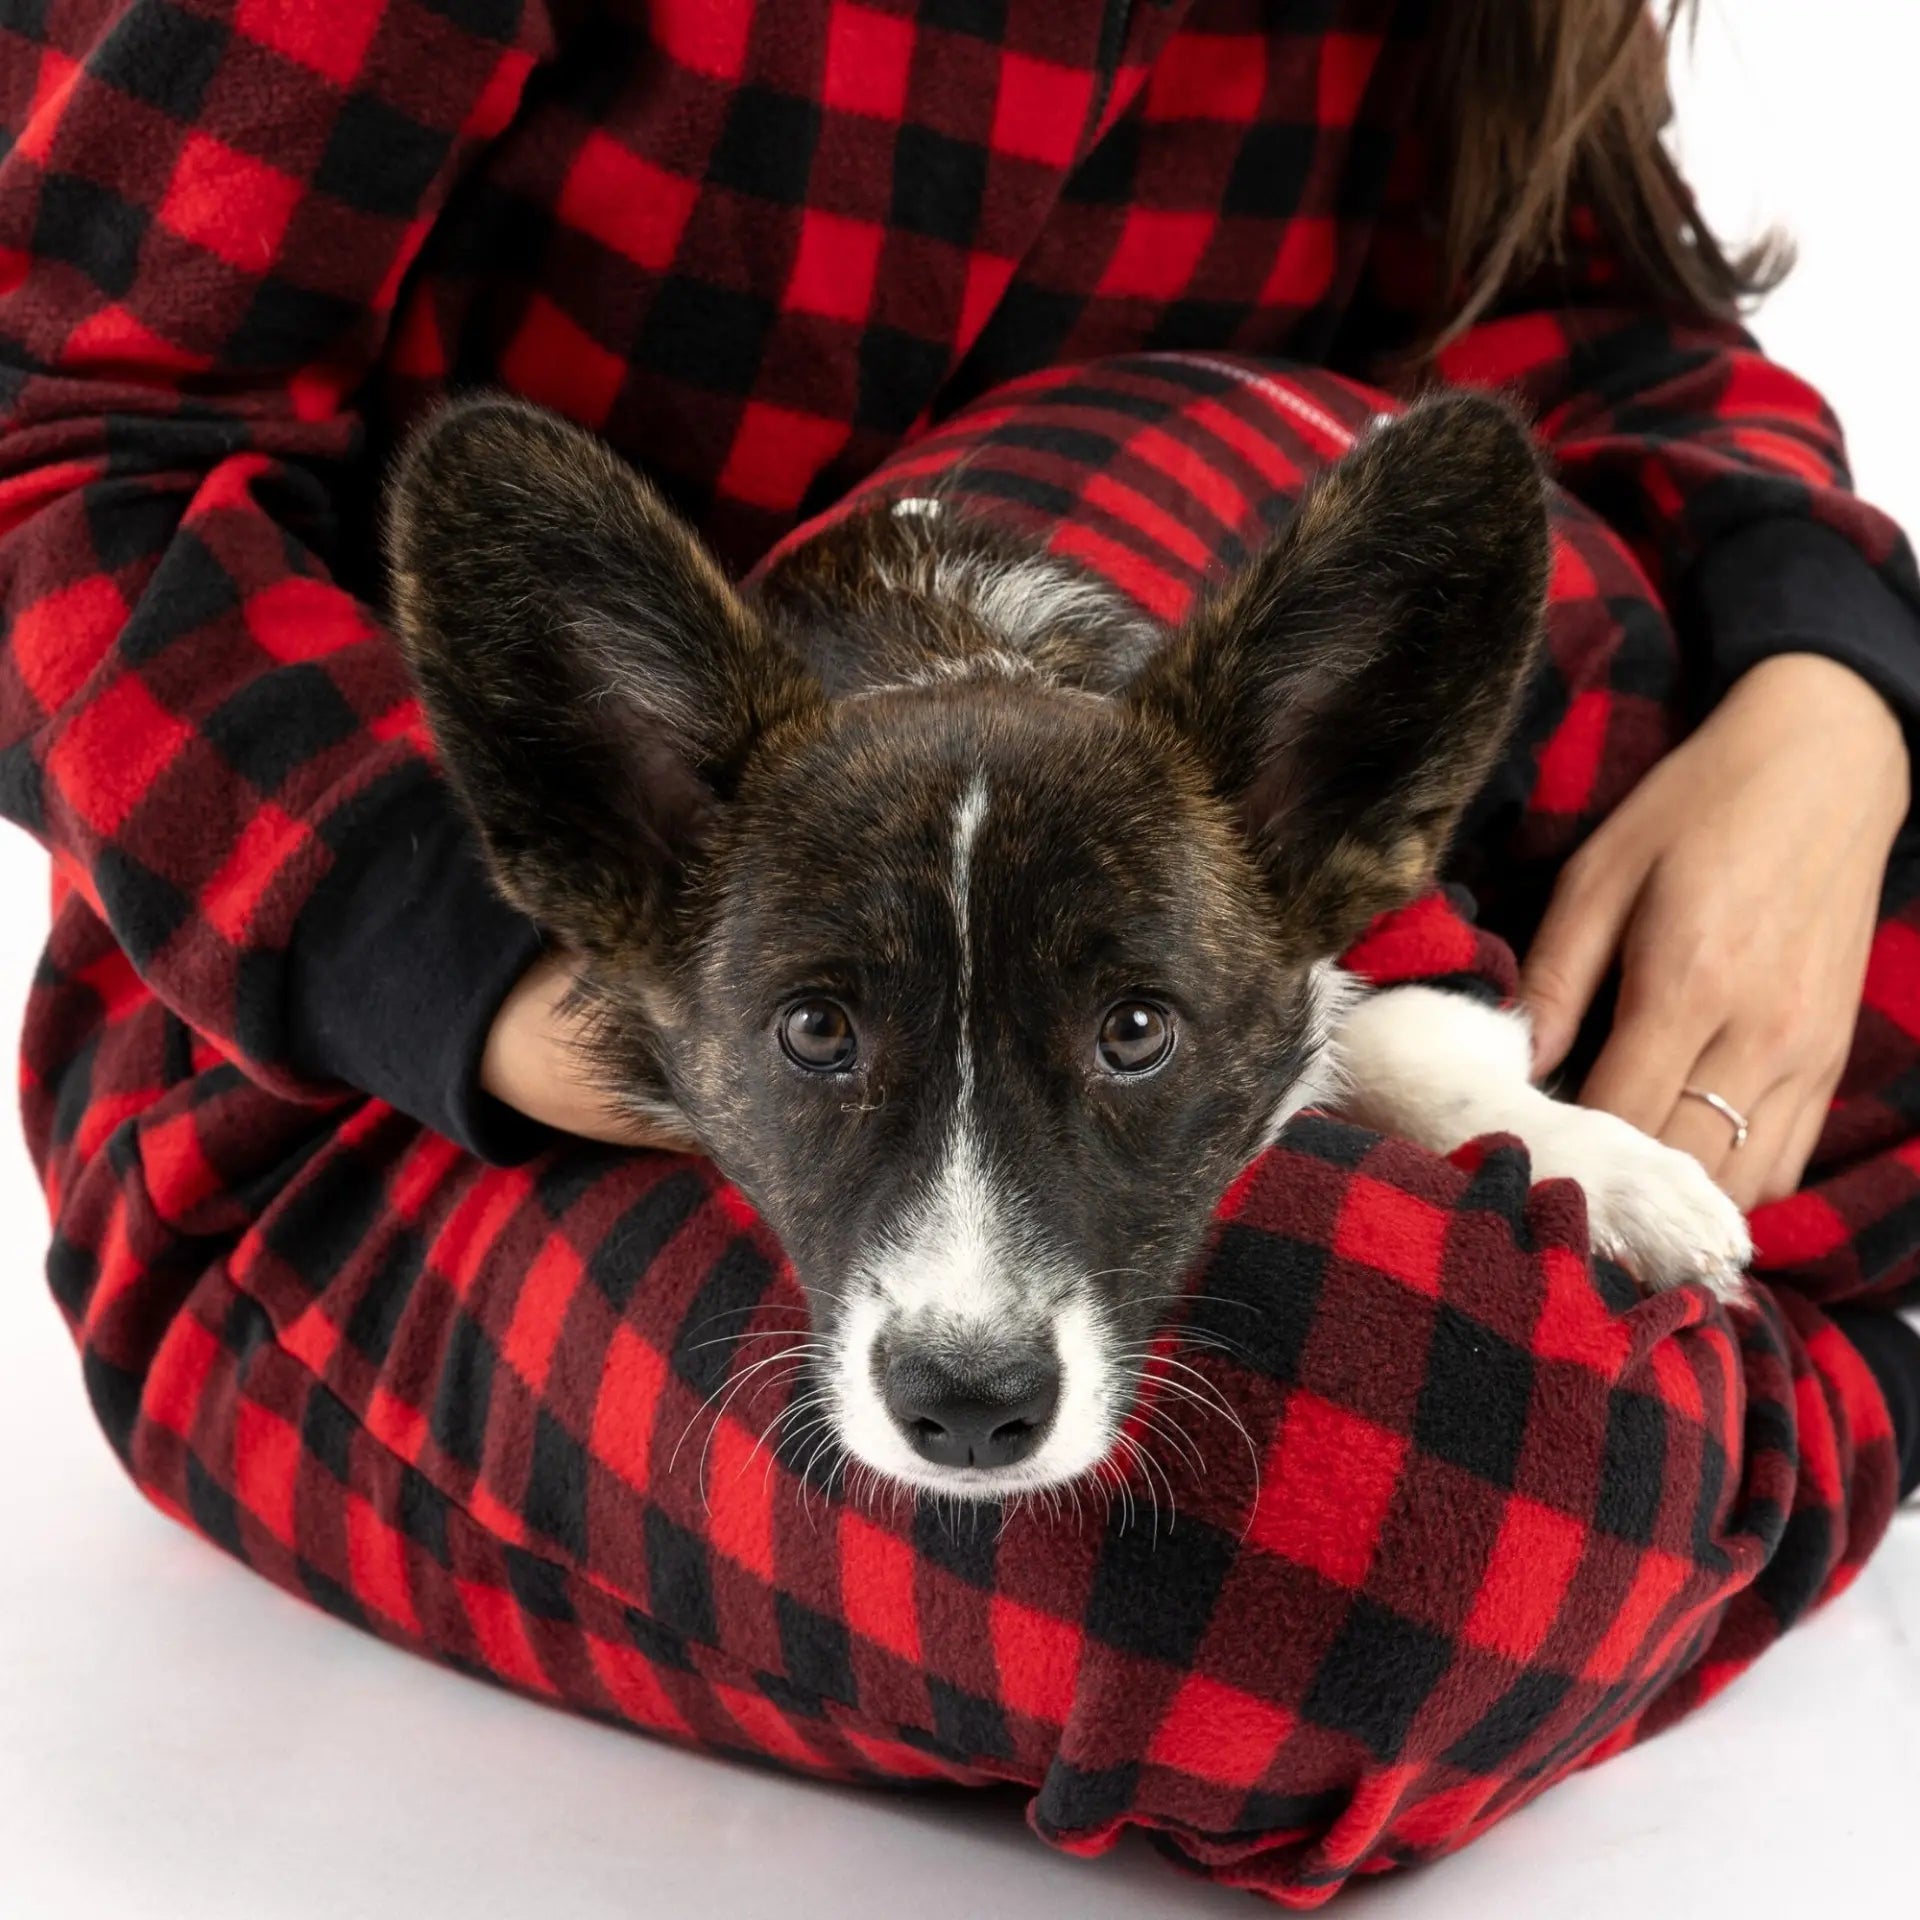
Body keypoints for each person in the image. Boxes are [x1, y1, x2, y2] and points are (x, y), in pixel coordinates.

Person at [2, 0, 1916, 1902]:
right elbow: (58, 443)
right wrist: (541, 975)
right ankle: (1807, 1406)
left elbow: (1575, 328)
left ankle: (1570, 1303)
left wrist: (1828, 698)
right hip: (414, 1016)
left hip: (1148, 762)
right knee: (1331, 1523)